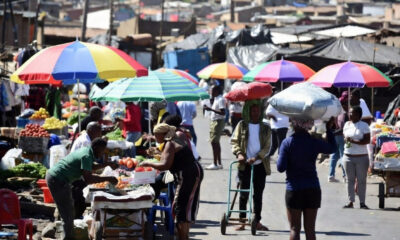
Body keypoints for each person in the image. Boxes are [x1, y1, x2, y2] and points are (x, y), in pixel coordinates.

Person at [46, 138, 118, 240]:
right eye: (102, 150)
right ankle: (68, 237)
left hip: (59, 178)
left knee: (68, 210)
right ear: (96, 148)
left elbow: (91, 167)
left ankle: (66, 234)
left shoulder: (88, 151)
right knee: (68, 213)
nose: (102, 153)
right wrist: (108, 178)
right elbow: (88, 179)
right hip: (57, 179)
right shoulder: (86, 155)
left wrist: (108, 164)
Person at [140, 123, 203, 240]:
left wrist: (147, 163)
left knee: (180, 208)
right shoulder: (175, 138)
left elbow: (165, 165)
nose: (155, 137)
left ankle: (182, 237)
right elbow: (170, 157)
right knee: (182, 207)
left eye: (156, 135)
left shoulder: (170, 143)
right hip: (193, 172)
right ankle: (183, 236)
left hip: (188, 175)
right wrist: (157, 153)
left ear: (163, 134)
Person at [277, 118, 336, 240]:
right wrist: (329, 129)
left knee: (294, 229)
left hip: (294, 189)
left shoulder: (287, 143)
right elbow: (332, 148)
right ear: (308, 126)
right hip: (312, 188)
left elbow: (280, 168)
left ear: (293, 125)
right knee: (310, 230)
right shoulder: (314, 142)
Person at [231, 100, 272, 231]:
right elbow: (234, 141)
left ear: (260, 112)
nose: (255, 113)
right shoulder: (242, 125)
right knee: (243, 194)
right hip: (245, 165)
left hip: (260, 165)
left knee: (258, 195)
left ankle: (257, 221)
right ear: (248, 111)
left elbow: (268, 146)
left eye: (257, 110)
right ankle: (242, 221)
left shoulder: (266, 127)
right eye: (253, 110)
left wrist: (257, 157)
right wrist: (239, 154)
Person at [70, 122, 103, 218]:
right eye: (99, 132)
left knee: (79, 200)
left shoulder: (85, 138)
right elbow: (85, 165)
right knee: (79, 199)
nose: (100, 135)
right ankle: (75, 221)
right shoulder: (86, 142)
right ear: (91, 131)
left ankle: (75, 218)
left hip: (76, 173)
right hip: (75, 174)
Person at [343, 106, 371, 209]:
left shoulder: (364, 126)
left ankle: (362, 202)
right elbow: (345, 137)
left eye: (353, 113)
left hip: (361, 157)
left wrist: (353, 141)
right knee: (350, 180)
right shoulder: (347, 124)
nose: (350, 115)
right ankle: (350, 201)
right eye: (349, 113)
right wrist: (347, 140)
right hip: (348, 156)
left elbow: (366, 141)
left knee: (361, 180)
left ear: (359, 115)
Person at [204, 85, 226, 170]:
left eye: (212, 90)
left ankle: (215, 163)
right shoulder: (216, 98)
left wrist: (211, 109)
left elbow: (223, 112)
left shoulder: (221, 99)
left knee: (214, 142)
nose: (210, 92)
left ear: (217, 91)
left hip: (217, 122)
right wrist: (211, 102)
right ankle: (219, 163)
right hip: (215, 121)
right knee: (216, 142)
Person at [328, 99, 348, 183]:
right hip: (341, 136)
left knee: (334, 156)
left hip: (334, 136)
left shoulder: (335, 113)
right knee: (343, 156)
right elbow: (344, 127)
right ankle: (345, 175)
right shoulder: (344, 114)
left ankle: (331, 175)